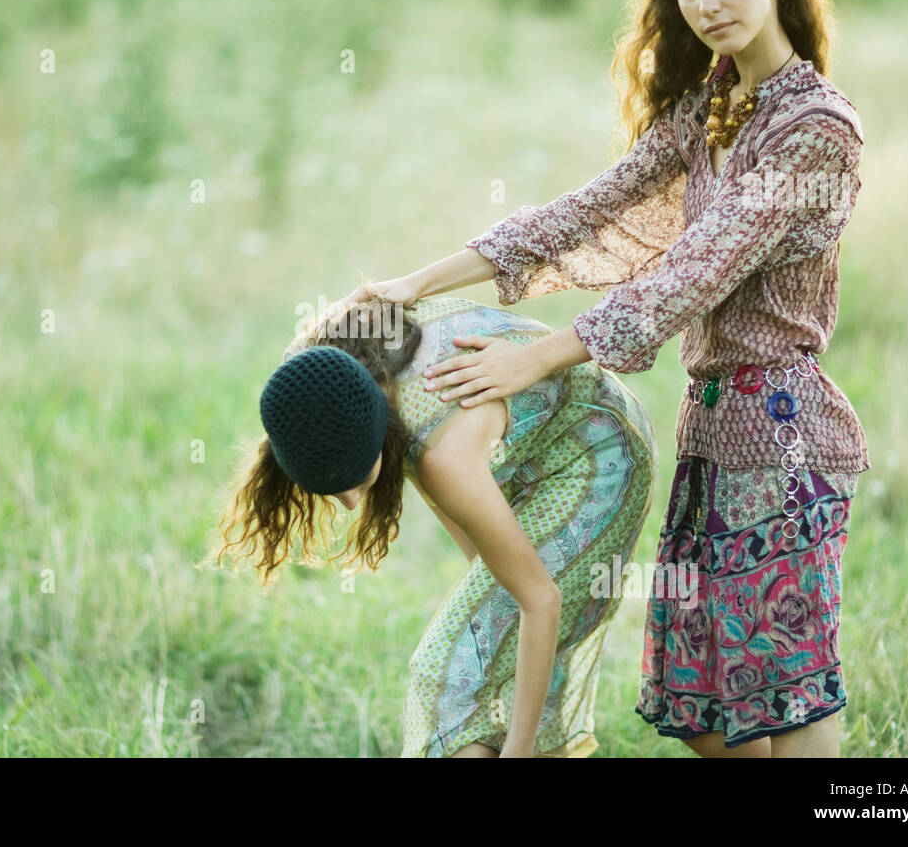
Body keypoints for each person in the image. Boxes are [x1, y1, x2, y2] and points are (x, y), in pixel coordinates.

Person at [328, 0, 869, 758]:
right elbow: (579, 214)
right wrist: (408, 282)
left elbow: (698, 270)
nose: (707, 6)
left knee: (784, 694)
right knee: (704, 712)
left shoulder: (818, 132)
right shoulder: (707, 110)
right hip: (710, 431)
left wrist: (537, 358)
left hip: (786, 437)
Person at [208, 294, 659, 757]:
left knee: (443, 672)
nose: (349, 504)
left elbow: (540, 598)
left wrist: (517, 750)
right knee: (470, 664)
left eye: (355, 480)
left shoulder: (445, 453)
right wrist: (490, 602)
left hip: (599, 456)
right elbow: (455, 515)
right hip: (537, 448)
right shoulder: (325, 371)